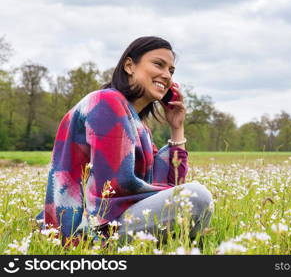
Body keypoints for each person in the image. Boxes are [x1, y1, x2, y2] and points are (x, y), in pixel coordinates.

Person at [35, 36, 213, 246]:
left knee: (191, 198)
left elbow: (169, 184)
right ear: (129, 66)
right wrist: (180, 198)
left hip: (111, 221)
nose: (166, 76)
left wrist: (177, 128)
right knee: (196, 197)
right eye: (158, 64)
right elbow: (114, 187)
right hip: (88, 229)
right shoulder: (106, 102)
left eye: (171, 71)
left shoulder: (139, 125)